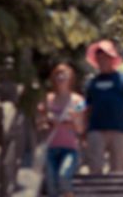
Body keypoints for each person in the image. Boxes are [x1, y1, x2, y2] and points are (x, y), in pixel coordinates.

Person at [84, 40, 123, 174]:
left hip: (118, 128)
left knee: (118, 168)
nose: (102, 61)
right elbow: (87, 105)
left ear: (112, 59)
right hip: (96, 129)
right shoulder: (92, 83)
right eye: (99, 58)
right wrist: (82, 126)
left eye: (105, 58)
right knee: (95, 166)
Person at [37, 64, 85, 197]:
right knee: (51, 185)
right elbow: (39, 123)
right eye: (58, 74)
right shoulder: (47, 99)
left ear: (71, 78)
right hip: (50, 146)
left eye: (64, 74)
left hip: (70, 148)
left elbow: (80, 129)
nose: (61, 77)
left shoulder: (78, 100)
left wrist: (73, 119)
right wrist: (47, 119)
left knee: (64, 176)